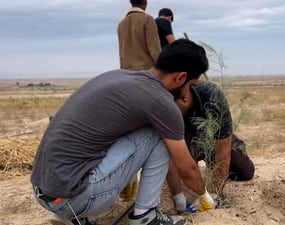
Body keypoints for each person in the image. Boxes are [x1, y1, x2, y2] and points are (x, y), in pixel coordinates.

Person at [30, 39, 214, 225]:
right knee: (157, 131)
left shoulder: (120, 77)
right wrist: (204, 195)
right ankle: (145, 215)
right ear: (180, 77)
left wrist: (128, 171)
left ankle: (73, 218)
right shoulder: (162, 102)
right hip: (75, 197)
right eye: (191, 85)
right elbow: (187, 169)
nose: (186, 94)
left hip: (44, 192)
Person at [167, 80, 255, 213]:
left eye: (175, 112)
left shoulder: (211, 95)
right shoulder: (162, 103)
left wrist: (214, 194)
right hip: (185, 139)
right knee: (186, 165)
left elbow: (223, 154)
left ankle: (211, 161)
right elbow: (168, 156)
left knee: (246, 171)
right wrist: (178, 196)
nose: (172, 115)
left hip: (215, 137)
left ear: (184, 99)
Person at [118, 0, 161, 70]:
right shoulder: (147, 19)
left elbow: (121, 53)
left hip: (127, 72)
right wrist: (165, 68)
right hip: (146, 71)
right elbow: (155, 49)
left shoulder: (121, 24)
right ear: (145, 2)